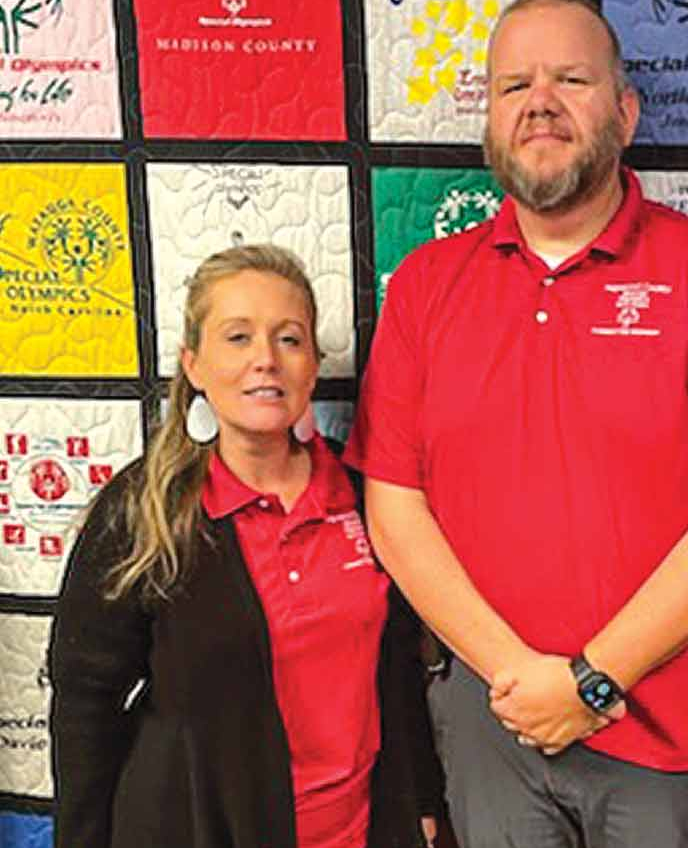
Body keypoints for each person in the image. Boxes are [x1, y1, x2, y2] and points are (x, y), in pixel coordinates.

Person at [344, 0, 688, 848]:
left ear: (626, 113)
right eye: (514, 86)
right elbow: (397, 508)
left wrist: (593, 681)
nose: (541, 105)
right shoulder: (425, 288)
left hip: (657, 730)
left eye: (571, 79)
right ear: (489, 118)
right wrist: (520, 677)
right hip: (494, 721)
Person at [49, 245, 443, 848]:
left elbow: (395, 670)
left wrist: (421, 800)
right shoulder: (142, 510)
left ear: (312, 365)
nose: (266, 360)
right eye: (237, 338)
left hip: (358, 830)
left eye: (289, 339)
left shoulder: (364, 497)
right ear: (194, 365)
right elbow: (85, 704)